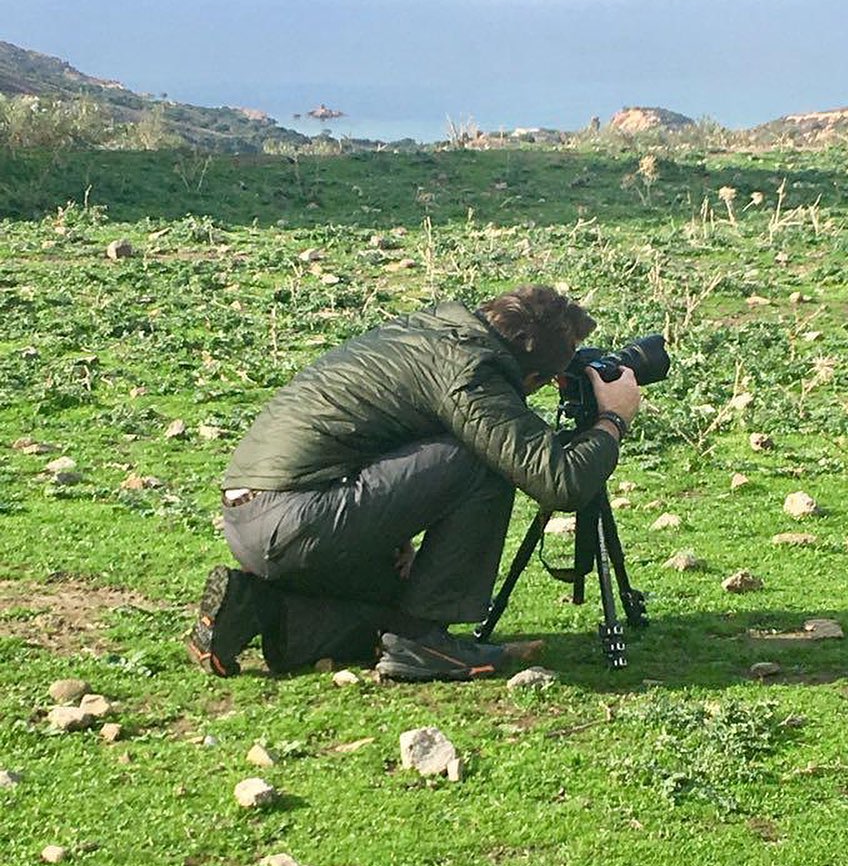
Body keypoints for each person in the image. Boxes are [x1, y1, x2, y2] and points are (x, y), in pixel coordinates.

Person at [188, 284, 641, 681]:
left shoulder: (432, 331)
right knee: (485, 458)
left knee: (397, 598)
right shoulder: (472, 374)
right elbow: (560, 483)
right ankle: (425, 642)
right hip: (294, 518)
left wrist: (395, 529)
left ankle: (261, 609)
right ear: (533, 376)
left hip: (258, 514)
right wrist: (613, 418)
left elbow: (382, 427)